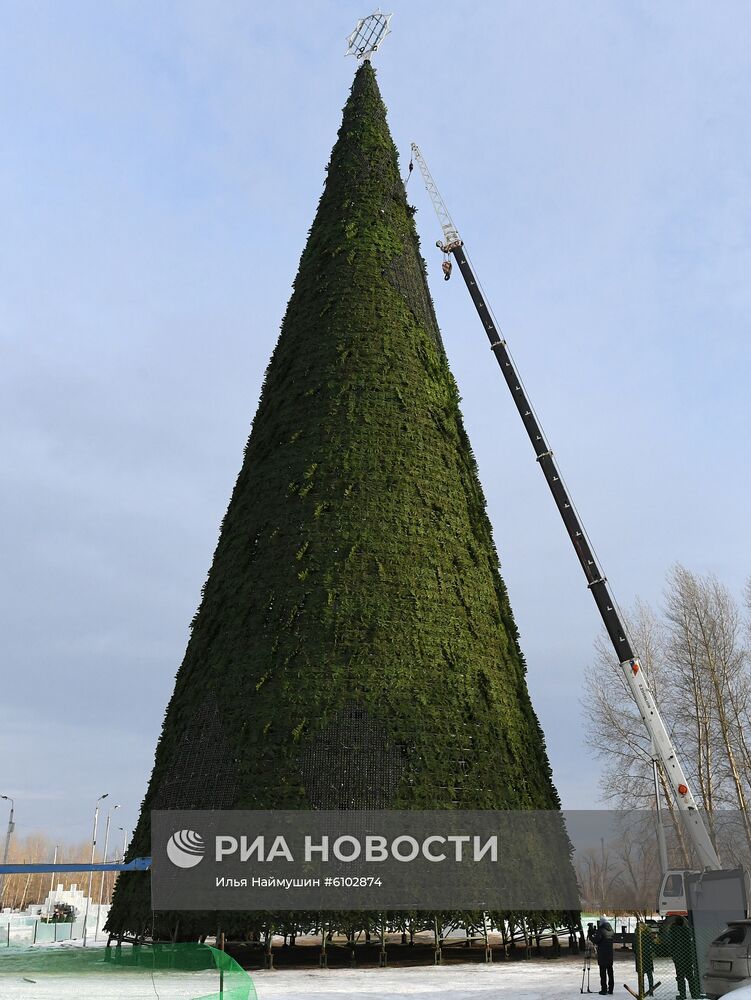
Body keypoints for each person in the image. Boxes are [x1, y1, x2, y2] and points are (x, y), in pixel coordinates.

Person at [669, 915, 700, 1000]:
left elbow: (671, 944)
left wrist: (673, 955)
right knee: (690, 976)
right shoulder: (687, 930)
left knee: (680, 977)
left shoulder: (673, 931)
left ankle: (682, 995)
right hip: (688, 957)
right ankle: (694, 994)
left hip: (678, 957)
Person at [590, 916, 615, 995]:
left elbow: (596, 940)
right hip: (610, 954)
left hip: (603, 955)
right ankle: (610, 989)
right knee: (610, 972)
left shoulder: (601, 930)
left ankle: (604, 989)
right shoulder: (611, 930)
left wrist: (590, 935)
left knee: (603, 973)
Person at [634, 920, 656, 996]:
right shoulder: (648, 935)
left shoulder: (636, 935)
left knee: (641, 976)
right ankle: (651, 991)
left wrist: (637, 953)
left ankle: (642, 991)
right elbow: (653, 946)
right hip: (648, 957)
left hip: (640, 958)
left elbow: (634, 947)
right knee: (650, 975)